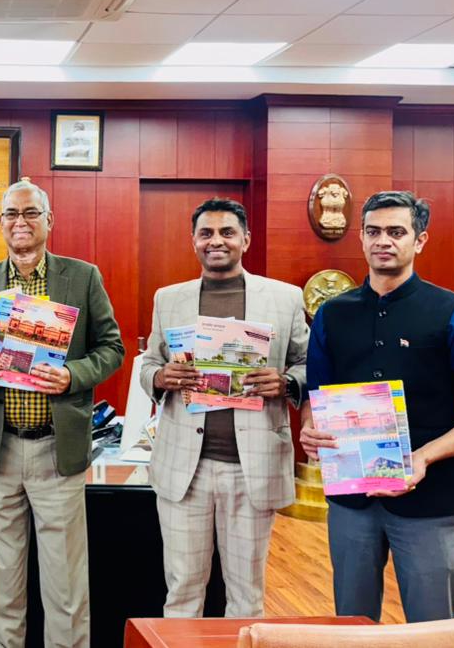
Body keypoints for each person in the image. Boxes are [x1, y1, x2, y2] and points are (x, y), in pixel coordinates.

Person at [299, 191, 454, 622]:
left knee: (435, 628)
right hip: (351, 499)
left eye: (397, 232)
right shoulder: (331, 315)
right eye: (373, 231)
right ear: (361, 238)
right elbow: (316, 396)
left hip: (430, 500)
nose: (384, 241)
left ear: (420, 240)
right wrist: (310, 429)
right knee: (351, 625)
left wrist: (423, 457)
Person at [0, 180, 124, 648]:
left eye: (30, 213)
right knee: (1, 582)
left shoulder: (82, 277)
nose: (20, 222)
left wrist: (71, 375)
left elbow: (112, 348)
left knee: (66, 586)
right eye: (11, 213)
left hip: (56, 446)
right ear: (0, 222)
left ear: (49, 220)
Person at [140, 198, 308, 617]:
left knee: (247, 596)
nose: (216, 241)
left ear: (245, 240)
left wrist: (287, 382)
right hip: (184, 467)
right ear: (194, 241)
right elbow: (149, 362)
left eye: (227, 232)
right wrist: (160, 377)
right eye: (206, 233)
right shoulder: (168, 298)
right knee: (182, 591)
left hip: (252, 468)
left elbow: (310, 363)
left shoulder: (285, 298)